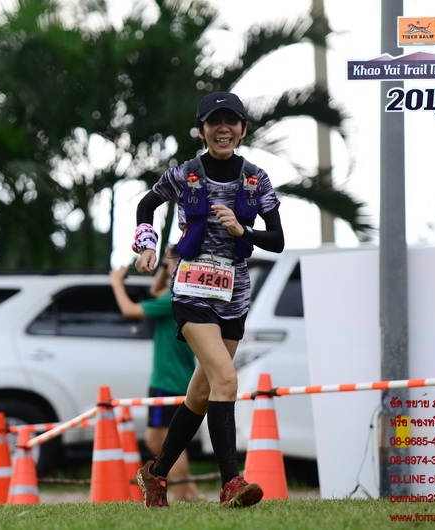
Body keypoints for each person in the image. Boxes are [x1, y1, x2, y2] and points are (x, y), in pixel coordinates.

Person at [131, 91, 285, 508]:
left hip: (234, 294)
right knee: (226, 380)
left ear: (243, 129)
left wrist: (242, 230)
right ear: (201, 131)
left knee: (200, 394)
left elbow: (277, 240)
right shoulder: (184, 174)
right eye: (214, 122)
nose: (223, 129)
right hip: (191, 289)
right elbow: (146, 204)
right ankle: (231, 482)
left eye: (231, 121)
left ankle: (155, 474)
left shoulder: (257, 178)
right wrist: (146, 245)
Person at [109, 244, 202, 502]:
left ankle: (186, 494)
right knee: (157, 440)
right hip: (176, 379)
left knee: (167, 443)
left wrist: (116, 283)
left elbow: (130, 311)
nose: (165, 266)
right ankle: (189, 491)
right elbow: (155, 290)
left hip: (167, 381)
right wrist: (164, 265)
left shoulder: (173, 298)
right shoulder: (185, 294)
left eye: (168, 261)